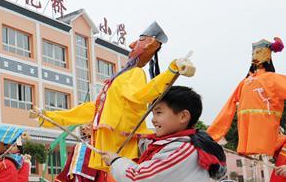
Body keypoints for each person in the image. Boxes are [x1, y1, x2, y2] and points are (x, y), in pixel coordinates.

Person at [33, 23, 195, 171]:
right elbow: (94, 110)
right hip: (112, 151)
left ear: (150, 45)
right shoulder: (120, 78)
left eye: (140, 40)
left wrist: (172, 71)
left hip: (122, 148)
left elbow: (142, 95)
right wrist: (48, 117)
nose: (131, 45)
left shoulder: (135, 73)